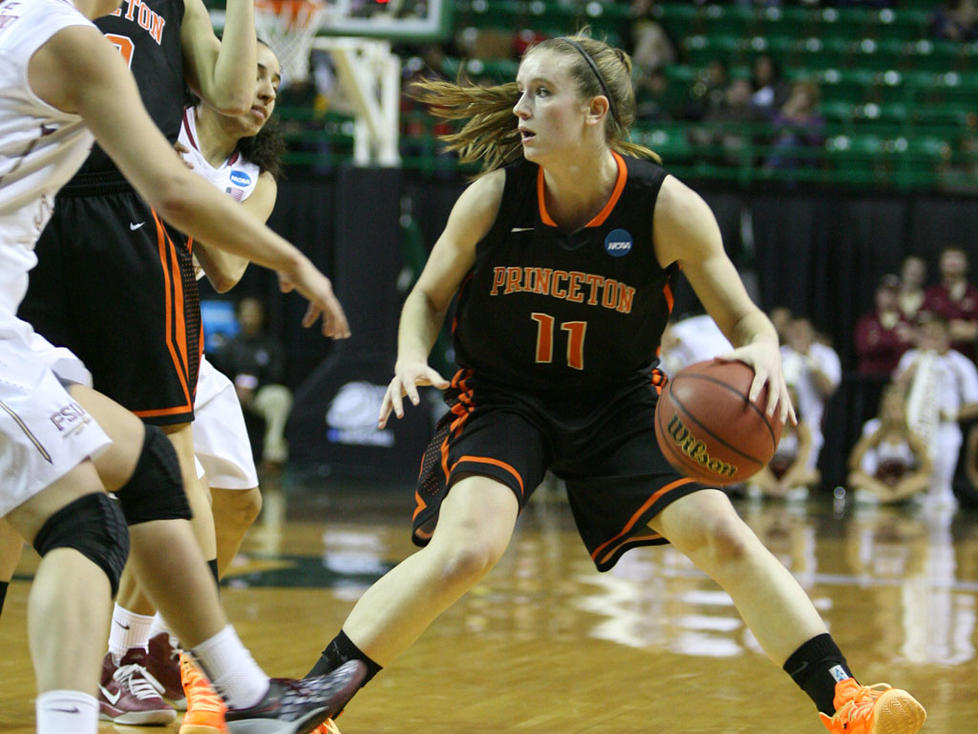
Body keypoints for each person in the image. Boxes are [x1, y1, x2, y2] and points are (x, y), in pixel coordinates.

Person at [301, 33, 925, 734]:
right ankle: (313, 704)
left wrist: (766, 351)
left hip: (620, 404)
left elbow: (747, 321)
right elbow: (426, 297)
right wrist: (410, 356)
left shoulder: (665, 208)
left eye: (542, 93)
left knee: (724, 534)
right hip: (504, 398)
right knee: (466, 549)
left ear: (595, 110)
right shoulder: (494, 198)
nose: (521, 109)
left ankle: (845, 698)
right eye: (520, 92)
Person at [0, 1, 364, 732]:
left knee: (141, 469)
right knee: (87, 522)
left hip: (18, 324)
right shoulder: (73, 45)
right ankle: (238, 695)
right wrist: (292, 259)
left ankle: (245, 693)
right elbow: (171, 189)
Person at [896, 313, 978, 510]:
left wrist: (950, 413)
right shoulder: (911, 359)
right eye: (926, 334)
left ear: (947, 336)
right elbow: (896, 392)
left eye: (936, 334)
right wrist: (909, 374)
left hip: (944, 430)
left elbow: (975, 403)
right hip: (912, 429)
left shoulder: (959, 363)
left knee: (939, 490)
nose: (930, 339)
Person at [213, 296, 294, 472]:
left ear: (262, 316)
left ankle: (273, 456)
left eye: (254, 313)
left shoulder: (271, 345)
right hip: (230, 395)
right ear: (238, 316)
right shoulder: (228, 346)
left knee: (280, 397)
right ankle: (215, 457)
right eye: (246, 313)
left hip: (258, 395)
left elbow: (277, 375)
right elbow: (218, 373)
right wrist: (234, 388)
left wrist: (253, 387)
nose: (250, 318)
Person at [847, 386, 932, 505]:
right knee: (855, 478)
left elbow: (927, 468)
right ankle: (891, 497)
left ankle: (890, 498)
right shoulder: (874, 429)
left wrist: (908, 482)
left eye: (896, 409)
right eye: (889, 409)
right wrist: (876, 436)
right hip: (878, 482)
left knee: (924, 481)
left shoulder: (911, 434)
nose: (893, 414)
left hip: (902, 484)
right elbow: (853, 464)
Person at [780, 316, 842, 478]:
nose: (798, 335)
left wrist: (810, 361)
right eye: (795, 331)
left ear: (812, 334)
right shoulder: (781, 353)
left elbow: (829, 388)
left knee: (804, 477)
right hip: (780, 424)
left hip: (809, 424)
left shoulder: (824, 354)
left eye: (802, 331)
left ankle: (786, 486)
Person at [748, 387, 821, 501]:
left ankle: (784, 492)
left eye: (790, 399)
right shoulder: (763, 427)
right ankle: (767, 493)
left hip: (790, 477)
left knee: (813, 476)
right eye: (782, 398)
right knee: (749, 477)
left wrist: (785, 485)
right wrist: (771, 486)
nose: (786, 402)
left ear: (796, 403)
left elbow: (801, 464)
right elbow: (759, 464)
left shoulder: (802, 430)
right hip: (769, 475)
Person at [921, 246, 978, 362]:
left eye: (957, 258)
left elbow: (974, 331)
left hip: (966, 360)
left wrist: (943, 329)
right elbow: (922, 326)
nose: (952, 262)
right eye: (949, 258)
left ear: (966, 264)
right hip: (935, 359)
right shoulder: (932, 294)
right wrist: (954, 329)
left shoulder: (974, 295)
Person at [898, 255, 927, 323]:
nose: (915, 270)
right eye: (911, 268)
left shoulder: (928, 298)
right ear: (903, 271)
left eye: (918, 269)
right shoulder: (893, 296)